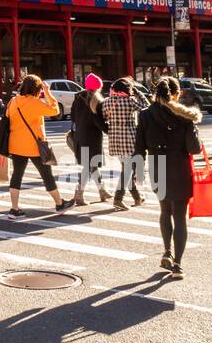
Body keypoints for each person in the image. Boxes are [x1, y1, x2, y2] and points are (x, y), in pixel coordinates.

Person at [134, 76, 202, 278]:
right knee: (179, 215)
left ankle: (166, 252)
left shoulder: (145, 115)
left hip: (157, 164)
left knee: (165, 210)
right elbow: (194, 148)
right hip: (179, 165)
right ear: (177, 93)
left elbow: (139, 146)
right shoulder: (185, 116)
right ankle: (178, 265)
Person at [4, 75, 72, 218]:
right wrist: (47, 93)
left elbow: (7, 116)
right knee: (46, 174)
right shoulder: (34, 103)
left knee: (17, 175)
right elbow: (55, 110)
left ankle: (14, 209)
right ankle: (59, 204)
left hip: (16, 144)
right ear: (37, 89)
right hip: (35, 145)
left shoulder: (13, 101)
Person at [102, 77, 144, 210]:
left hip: (115, 141)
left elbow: (104, 116)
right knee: (127, 170)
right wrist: (137, 92)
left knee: (126, 169)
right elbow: (145, 106)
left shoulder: (107, 102)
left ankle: (137, 197)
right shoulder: (130, 101)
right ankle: (118, 199)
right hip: (129, 140)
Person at [70, 73, 109, 206]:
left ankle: (102, 191)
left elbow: (73, 117)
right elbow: (98, 121)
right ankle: (79, 194)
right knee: (89, 165)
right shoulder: (97, 100)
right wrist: (109, 130)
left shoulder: (78, 98)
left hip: (80, 136)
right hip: (92, 137)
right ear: (98, 87)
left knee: (92, 165)